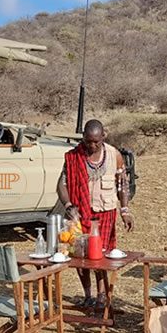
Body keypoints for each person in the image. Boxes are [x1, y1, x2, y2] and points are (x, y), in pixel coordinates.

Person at [57, 119, 135, 308]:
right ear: (83, 137)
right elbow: (61, 184)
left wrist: (125, 211)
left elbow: (122, 184)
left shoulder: (114, 155)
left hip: (105, 213)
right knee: (80, 255)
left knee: (101, 256)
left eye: (96, 142)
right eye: (88, 141)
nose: (92, 145)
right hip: (80, 213)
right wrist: (68, 205)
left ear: (103, 136)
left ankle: (101, 296)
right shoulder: (73, 156)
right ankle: (87, 295)